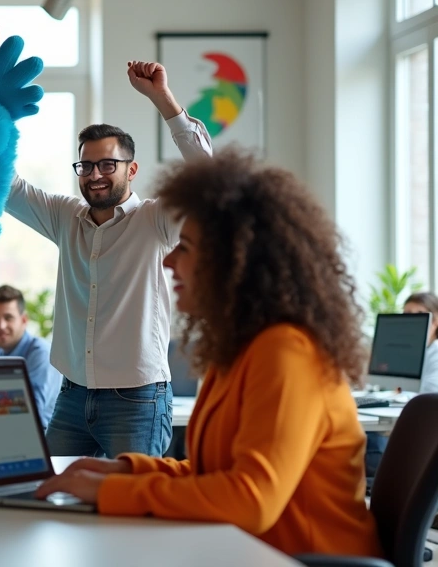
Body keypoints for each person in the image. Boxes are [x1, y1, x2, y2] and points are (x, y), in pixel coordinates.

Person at [35, 149, 383, 559]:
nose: (168, 260)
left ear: (233, 263)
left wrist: (111, 491)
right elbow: (213, 473)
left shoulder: (287, 353)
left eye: (185, 247)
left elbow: (250, 500)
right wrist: (126, 469)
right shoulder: (236, 351)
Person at [0, 26, 213, 458]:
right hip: (72, 396)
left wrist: (164, 100)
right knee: (52, 492)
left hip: (137, 400)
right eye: (86, 166)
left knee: (132, 498)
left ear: (131, 169)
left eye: (108, 164)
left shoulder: (155, 220)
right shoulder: (65, 217)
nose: (95, 175)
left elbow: (206, 178)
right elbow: (5, 186)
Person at [365, 291, 438, 479]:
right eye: (407, 314)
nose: (412, 321)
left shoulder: (436, 354)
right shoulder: (406, 353)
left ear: (435, 322)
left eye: (419, 314)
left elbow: (427, 401)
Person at [0, 285, 59, 429]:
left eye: (8, 318)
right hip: (6, 430)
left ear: (24, 320)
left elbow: (30, 412)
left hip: (38, 436)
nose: (1, 326)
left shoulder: (40, 353)